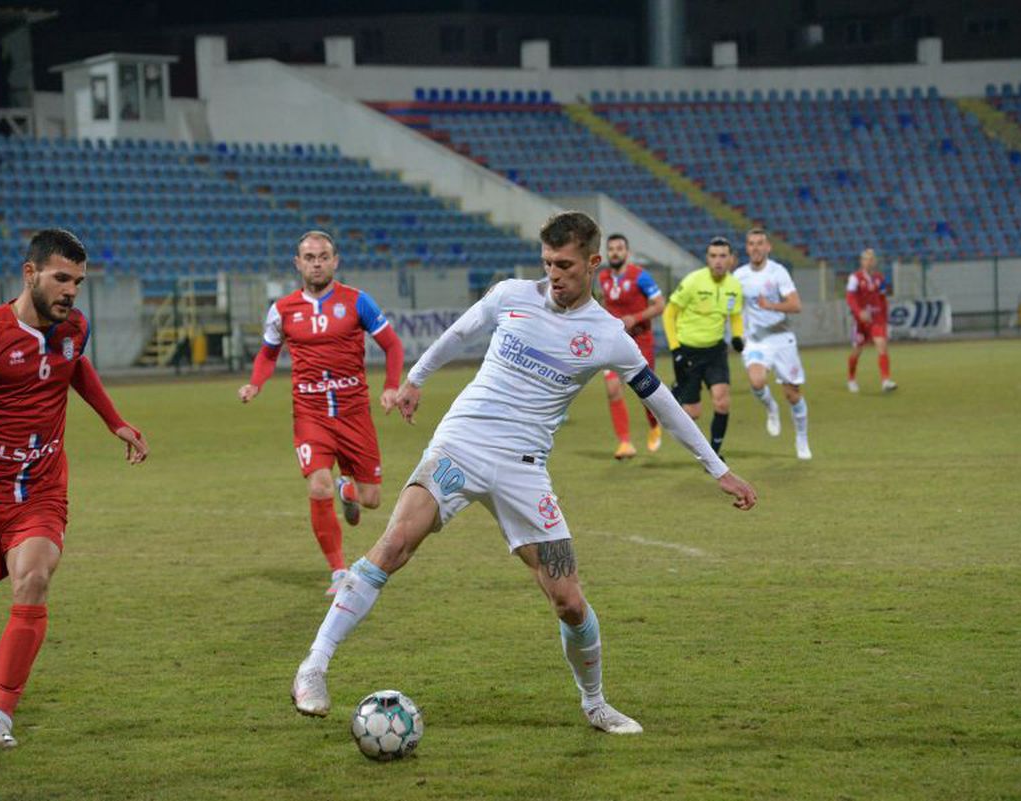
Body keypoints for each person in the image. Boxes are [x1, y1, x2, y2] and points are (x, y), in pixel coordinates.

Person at [289, 211, 757, 734]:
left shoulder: (608, 336)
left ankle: (595, 702)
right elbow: (462, 331)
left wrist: (719, 470)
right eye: (547, 263)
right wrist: (415, 379)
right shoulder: (511, 295)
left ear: (593, 263)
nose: (553, 275)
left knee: (569, 601)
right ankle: (314, 665)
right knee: (394, 545)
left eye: (564, 265)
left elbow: (665, 404)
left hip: (523, 471)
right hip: (459, 446)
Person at [0, 228, 149, 748]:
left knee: (33, 577)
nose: (71, 290)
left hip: (39, 490)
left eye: (77, 281)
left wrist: (114, 421)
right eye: (61, 278)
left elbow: (75, 366)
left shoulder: (75, 326)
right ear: (29, 274)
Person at [239, 231, 404, 595]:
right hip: (310, 414)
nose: (316, 263)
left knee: (372, 499)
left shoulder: (357, 301)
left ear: (335, 261)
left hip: (354, 413)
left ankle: (350, 489)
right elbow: (268, 354)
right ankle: (338, 571)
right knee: (318, 485)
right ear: (298, 263)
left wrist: (392, 386)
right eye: (309, 257)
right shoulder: (282, 310)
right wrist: (256, 383)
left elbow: (392, 345)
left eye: (323, 256)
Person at [733, 228, 812, 460]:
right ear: (747, 248)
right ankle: (771, 408)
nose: (756, 248)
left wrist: (771, 306)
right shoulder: (739, 276)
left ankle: (801, 437)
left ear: (768, 247)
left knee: (792, 394)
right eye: (751, 243)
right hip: (755, 341)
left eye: (760, 243)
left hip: (781, 339)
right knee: (756, 381)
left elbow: (796, 305)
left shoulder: (778, 272)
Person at [661, 237, 744, 456]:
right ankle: (677, 394)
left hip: (716, 351)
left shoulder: (734, 285)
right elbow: (669, 313)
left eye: (723, 256)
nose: (718, 261)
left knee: (722, 402)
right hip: (688, 352)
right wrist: (675, 348)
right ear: (707, 258)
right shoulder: (692, 281)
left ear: (731, 259)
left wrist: (737, 336)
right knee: (693, 413)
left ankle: (714, 453)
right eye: (714, 256)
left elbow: (735, 315)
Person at [597, 233, 666, 458]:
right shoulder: (603, 277)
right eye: (611, 249)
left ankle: (654, 424)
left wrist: (634, 319)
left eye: (619, 248)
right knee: (613, 389)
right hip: (614, 342)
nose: (615, 252)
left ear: (627, 252)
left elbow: (659, 305)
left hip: (641, 339)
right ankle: (625, 443)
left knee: (645, 390)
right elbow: (603, 303)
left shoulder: (641, 277)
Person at [845, 248, 897, 393]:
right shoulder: (855, 278)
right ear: (862, 261)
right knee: (857, 350)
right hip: (861, 321)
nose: (869, 262)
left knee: (881, 345)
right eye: (866, 259)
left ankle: (886, 381)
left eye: (871, 259)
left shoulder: (879, 278)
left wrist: (885, 319)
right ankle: (851, 379)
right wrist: (858, 312)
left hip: (876, 318)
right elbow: (850, 297)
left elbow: (882, 299)